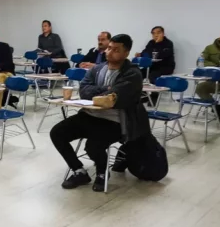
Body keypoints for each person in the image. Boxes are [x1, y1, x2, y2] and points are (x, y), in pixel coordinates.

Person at [50, 34, 150, 192]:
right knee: (57, 133)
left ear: (126, 53)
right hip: (89, 115)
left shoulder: (132, 73)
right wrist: (107, 90)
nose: (109, 52)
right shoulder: (97, 69)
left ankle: (102, 173)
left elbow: (116, 97)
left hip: (115, 122)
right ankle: (79, 171)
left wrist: (105, 93)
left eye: (116, 50)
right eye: (109, 48)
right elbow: (84, 91)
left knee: (93, 146)